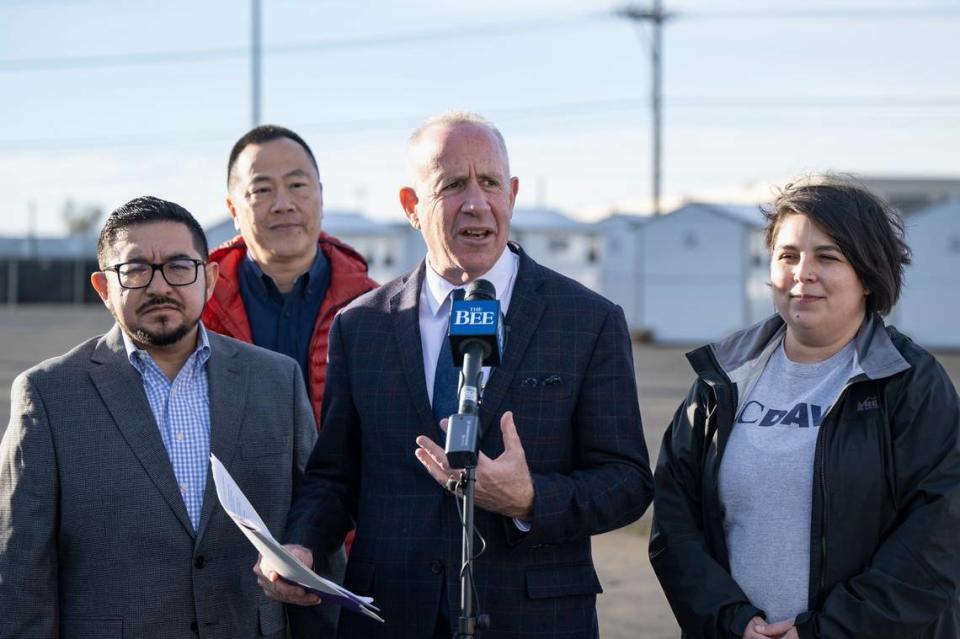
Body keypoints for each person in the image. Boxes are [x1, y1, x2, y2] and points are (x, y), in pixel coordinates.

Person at [256, 111, 653, 638]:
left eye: (490, 183)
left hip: (536, 618)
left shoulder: (588, 320)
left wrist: (530, 498)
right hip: (391, 617)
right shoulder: (362, 325)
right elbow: (335, 476)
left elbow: (626, 482)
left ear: (511, 194)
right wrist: (302, 543)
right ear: (411, 207)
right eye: (451, 185)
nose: (476, 203)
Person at [649, 175, 960, 639]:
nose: (802, 273)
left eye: (828, 257)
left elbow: (937, 542)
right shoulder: (724, 377)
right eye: (788, 255)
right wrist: (732, 622)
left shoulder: (910, 383)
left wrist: (822, 632)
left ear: (868, 274)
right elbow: (675, 523)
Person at [0, 197, 319, 638]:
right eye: (134, 270)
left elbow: (314, 514)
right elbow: (20, 571)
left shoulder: (276, 380)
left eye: (179, 266)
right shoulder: (48, 395)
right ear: (103, 288)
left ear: (209, 279)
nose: (159, 286)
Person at [203, 124, 378, 423]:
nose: (283, 205)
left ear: (320, 195)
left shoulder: (373, 306)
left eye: (297, 185)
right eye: (262, 190)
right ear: (233, 210)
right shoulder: (201, 307)